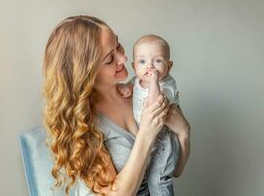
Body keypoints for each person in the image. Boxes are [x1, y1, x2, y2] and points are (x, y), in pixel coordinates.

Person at [43, 15, 190, 196]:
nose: (123, 57)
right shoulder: (81, 122)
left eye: (118, 45)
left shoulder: (144, 89)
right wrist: (146, 134)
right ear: (86, 73)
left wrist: (184, 132)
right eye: (109, 59)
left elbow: (175, 171)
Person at [118, 34, 181, 195]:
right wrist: (128, 87)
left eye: (158, 60)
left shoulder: (167, 84)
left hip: (164, 143)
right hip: (150, 140)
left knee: (158, 180)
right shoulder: (138, 80)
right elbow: (134, 83)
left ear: (169, 66)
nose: (150, 66)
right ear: (134, 66)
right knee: (144, 178)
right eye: (142, 61)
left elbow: (155, 104)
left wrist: (154, 82)